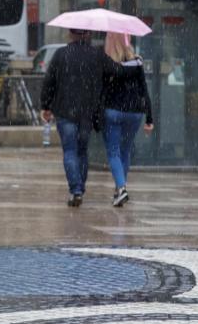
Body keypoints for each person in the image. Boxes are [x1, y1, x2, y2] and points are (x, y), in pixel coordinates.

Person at [41, 28, 142, 207]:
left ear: (70, 34)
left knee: (70, 151)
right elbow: (117, 70)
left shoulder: (61, 54)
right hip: (87, 113)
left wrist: (46, 106)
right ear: (87, 34)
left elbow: (49, 81)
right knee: (81, 151)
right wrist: (135, 64)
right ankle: (80, 186)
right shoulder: (96, 55)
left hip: (65, 112)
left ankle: (76, 190)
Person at [101, 32, 153, 207]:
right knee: (125, 150)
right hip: (135, 113)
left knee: (114, 152)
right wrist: (149, 118)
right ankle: (119, 190)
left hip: (113, 112)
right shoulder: (137, 63)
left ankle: (121, 188)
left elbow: (102, 92)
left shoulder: (108, 64)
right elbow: (144, 92)